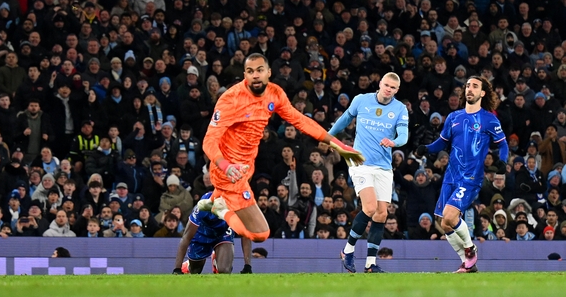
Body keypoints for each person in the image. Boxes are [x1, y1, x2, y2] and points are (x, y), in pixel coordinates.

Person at [198, 54, 363, 243]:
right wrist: (226, 166)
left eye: (260, 70)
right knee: (260, 235)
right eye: (250, 71)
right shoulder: (230, 99)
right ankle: (220, 209)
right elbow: (209, 141)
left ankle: (195, 247)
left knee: (208, 227)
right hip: (228, 172)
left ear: (269, 72)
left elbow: (301, 121)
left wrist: (339, 146)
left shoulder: (274, 94)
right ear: (245, 75)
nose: (255, 75)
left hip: (246, 167)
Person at [422, 76, 508, 273]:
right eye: (468, 85)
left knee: (450, 216)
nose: (469, 89)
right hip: (451, 176)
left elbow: (502, 144)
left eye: (475, 86)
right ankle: (467, 263)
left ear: (482, 93)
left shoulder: (489, 119)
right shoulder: (454, 117)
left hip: (470, 177)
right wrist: (425, 149)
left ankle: (470, 248)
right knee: (445, 223)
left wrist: (502, 161)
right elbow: (442, 142)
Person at [330, 72, 408, 273]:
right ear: (380, 84)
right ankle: (348, 251)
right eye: (386, 85)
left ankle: (370, 264)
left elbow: (404, 135)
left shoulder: (399, 109)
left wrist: (394, 142)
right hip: (360, 162)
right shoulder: (361, 100)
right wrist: (328, 136)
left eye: (393, 87)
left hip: (384, 167)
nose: (388, 89)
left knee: (381, 214)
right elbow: (345, 119)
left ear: (396, 90)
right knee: (370, 207)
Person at [173, 191, 253, 275]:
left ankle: (217, 261)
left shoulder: (237, 204)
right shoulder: (202, 206)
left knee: (225, 270)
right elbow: (186, 237)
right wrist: (177, 269)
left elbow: (245, 233)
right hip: (201, 233)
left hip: (222, 232)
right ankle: (187, 265)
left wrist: (247, 265)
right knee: (195, 270)